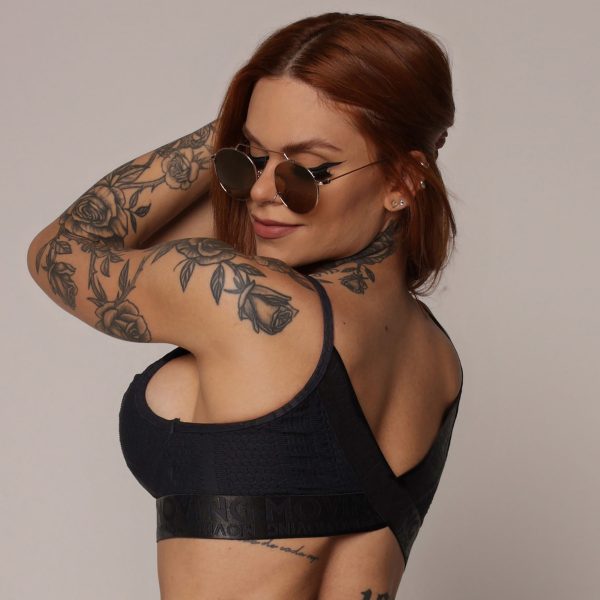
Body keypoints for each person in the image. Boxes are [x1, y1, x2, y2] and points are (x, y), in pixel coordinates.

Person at [27, 11, 463, 600]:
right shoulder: (438, 358)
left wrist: (226, 129)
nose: (259, 190)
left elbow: (60, 249)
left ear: (403, 182)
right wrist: (272, 140)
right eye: (250, 158)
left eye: (308, 169)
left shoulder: (240, 299)